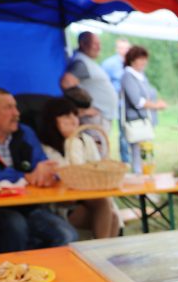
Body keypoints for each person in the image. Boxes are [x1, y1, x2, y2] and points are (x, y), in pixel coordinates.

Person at [0, 87, 76, 252]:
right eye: (8, 108)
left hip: (27, 205)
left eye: (16, 106)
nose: (17, 113)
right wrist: (25, 177)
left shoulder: (25, 132)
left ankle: (44, 273)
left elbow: (42, 165)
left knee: (67, 235)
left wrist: (47, 173)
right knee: (16, 226)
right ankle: (14, 275)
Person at [37, 98, 119, 239]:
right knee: (106, 209)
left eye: (75, 115)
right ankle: (102, 253)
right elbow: (70, 173)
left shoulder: (85, 140)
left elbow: (96, 169)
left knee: (112, 215)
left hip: (88, 198)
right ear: (52, 119)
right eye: (66, 116)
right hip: (63, 204)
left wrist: (75, 140)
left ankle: (101, 254)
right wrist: (72, 141)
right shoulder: (45, 147)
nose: (73, 120)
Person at [59, 32, 119, 134]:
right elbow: (66, 83)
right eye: (95, 44)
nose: (99, 47)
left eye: (99, 44)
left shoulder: (86, 61)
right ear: (83, 44)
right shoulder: (81, 62)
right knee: (93, 149)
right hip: (93, 119)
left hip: (99, 118)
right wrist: (82, 110)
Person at [121, 46, 167, 174]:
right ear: (132, 60)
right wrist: (156, 106)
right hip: (136, 122)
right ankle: (139, 184)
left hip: (146, 121)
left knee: (146, 154)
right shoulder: (128, 76)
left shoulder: (141, 76)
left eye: (144, 59)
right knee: (137, 155)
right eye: (140, 59)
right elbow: (137, 101)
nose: (144, 62)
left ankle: (146, 180)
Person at [101, 38, 132, 163]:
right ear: (117, 49)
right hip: (114, 103)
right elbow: (102, 82)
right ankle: (104, 159)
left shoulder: (131, 63)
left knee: (126, 132)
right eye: (122, 47)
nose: (124, 50)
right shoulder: (109, 64)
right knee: (106, 130)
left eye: (126, 48)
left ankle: (127, 160)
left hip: (128, 104)